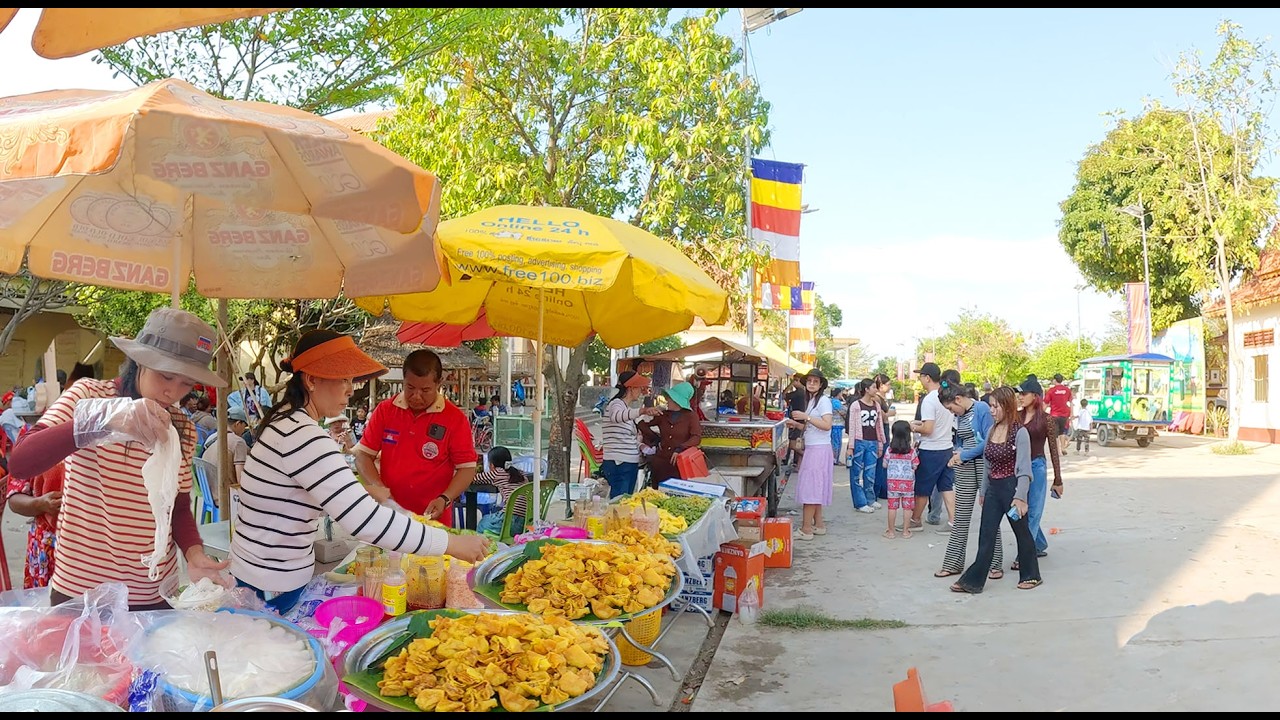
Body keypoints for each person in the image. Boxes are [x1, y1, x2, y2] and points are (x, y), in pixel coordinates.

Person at [229, 330, 488, 613]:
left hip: (256, 571)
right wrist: (451, 544)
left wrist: (360, 492)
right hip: (271, 581)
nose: (351, 390)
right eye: (344, 379)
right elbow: (365, 521)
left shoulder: (284, 421)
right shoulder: (305, 436)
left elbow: (294, 492)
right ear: (311, 380)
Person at [7, 307, 232, 611]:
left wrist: (194, 553)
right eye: (166, 375)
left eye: (187, 383)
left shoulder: (181, 428)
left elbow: (177, 507)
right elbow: (21, 461)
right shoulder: (88, 396)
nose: (172, 392)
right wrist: (105, 419)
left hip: (151, 594)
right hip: (81, 593)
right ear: (140, 360)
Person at [355, 349, 478, 525]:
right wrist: (379, 489)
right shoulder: (385, 410)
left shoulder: (455, 419)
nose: (416, 396)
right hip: (389, 515)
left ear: (439, 383)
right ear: (403, 381)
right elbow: (363, 456)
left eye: (425, 390)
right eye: (410, 388)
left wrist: (445, 498)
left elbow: (467, 468)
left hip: (433, 519)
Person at [951, 386, 1043, 593]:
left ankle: (1031, 575)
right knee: (986, 535)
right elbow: (987, 464)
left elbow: (1024, 469)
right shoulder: (992, 430)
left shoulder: (1020, 433)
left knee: (1022, 534)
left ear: (1007, 406)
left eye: (995, 406)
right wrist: (983, 491)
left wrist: (1020, 497)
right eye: (990, 406)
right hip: (993, 489)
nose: (991, 410)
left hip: (1012, 489)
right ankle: (973, 581)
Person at [934, 381, 1003, 580]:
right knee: (961, 516)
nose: (951, 412)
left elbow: (988, 441)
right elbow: (961, 441)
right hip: (964, 467)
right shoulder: (960, 416)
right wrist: (958, 454)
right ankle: (953, 563)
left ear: (958, 399)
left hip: (983, 465)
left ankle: (994, 563)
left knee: (989, 515)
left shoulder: (981, 409)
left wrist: (964, 455)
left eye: (951, 408)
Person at [5, 405, 61, 588]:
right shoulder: (35, 433)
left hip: (94, 548)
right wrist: (41, 504)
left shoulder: (111, 431)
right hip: (48, 548)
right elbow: (14, 499)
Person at [1014, 374, 1062, 567]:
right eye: (1019, 394)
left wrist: (1058, 480)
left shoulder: (1047, 420)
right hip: (1019, 468)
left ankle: (1024, 554)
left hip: (1037, 466)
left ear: (1035, 396)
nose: (1020, 397)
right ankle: (1038, 543)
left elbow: (1053, 450)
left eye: (1023, 394)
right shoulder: (1016, 417)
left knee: (1033, 510)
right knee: (1019, 511)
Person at [908, 363, 956, 532]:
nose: (920, 380)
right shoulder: (946, 395)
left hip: (931, 449)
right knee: (946, 486)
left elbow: (928, 429)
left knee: (922, 487)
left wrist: (913, 427)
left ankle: (915, 520)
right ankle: (953, 521)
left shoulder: (929, 399)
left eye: (921, 376)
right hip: (947, 447)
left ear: (927, 378)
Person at [788, 369, 833, 541]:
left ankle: (806, 529)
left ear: (821, 385)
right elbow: (813, 427)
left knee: (811, 489)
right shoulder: (813, 401)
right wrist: (796, 424)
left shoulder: (823, 401)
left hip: (818, 450)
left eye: (815, 381)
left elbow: (827, 425)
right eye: (809, 381)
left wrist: (805, 417)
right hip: (815, 447)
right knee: (816, 488)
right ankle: (818, 524)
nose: (812, 384)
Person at [601, 371, 662, 498]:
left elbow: (627, 437)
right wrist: (643, 411)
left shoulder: (625, 408)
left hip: (628, 462)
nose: (641, 391)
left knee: (625, 501)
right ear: (631, 388)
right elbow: (617, 417)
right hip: (619, 462)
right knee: (620, 501)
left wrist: (640, 446)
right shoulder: (616, 404)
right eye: (639, 388)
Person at [638, 381, 702, 489]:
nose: (667, 400)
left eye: (670, 398)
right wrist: (655, 438)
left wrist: (680, 448)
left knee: (676, 492)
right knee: (657, 493)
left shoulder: (691, 416)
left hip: (679, 464)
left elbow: (696, 437)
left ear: (677, 401)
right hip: (660, 462)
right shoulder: (663, 414)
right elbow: (643, 425)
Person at [848, 378, 886, 513]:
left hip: (873, 442)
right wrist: (850, 446)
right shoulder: (856, 405)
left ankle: (870, 498)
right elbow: (852, 426)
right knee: (856, 473)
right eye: (874, 387)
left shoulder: (876, 405)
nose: (876, 390)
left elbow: (879, 426)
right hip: (859, 441)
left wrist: (881, 443)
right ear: (866, 389)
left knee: (871, 472)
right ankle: (860, 502)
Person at [475, 445, 531, 536]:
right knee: (495, 513)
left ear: (491, 465)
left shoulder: (497, 473)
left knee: (483, 522)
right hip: (526, 523)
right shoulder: (521, 474)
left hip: (509, 522)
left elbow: (473, 478)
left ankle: (481, 544)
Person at [881, 420, 918, 539]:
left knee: (892, 507)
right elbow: (915, 465)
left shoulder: (889, 450)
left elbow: (884, 465)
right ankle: (906, 532)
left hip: (892, 483)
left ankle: (891, 532)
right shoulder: (911, 451)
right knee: (907, 507)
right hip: (908, 484)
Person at [202, 407, 250, 484]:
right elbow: (241, 480)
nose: (244, 429)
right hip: (225, 490)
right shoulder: (238, 442)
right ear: (238, 424)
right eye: (244, 426)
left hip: (207, 489)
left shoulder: (211, 438)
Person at [1046, 373, 1074, 455]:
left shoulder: (1051, 390)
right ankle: (1063, 448)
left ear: (1055, 380)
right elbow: (1071, 402)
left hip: (1054, 415)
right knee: (1062, 432)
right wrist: (1072, 413)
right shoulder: (1067, 390)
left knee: (1055, 434)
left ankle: (1057, 451)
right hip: (1064, 414)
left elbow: (1046, 402)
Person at [829, 387, 846, 465]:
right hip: (836, 425)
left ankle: (834, 458)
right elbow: (843, 412)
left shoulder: (831, 401)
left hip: (833, 425)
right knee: (837, 443)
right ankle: (835, 459)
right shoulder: (836, 402)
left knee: (834, 442)